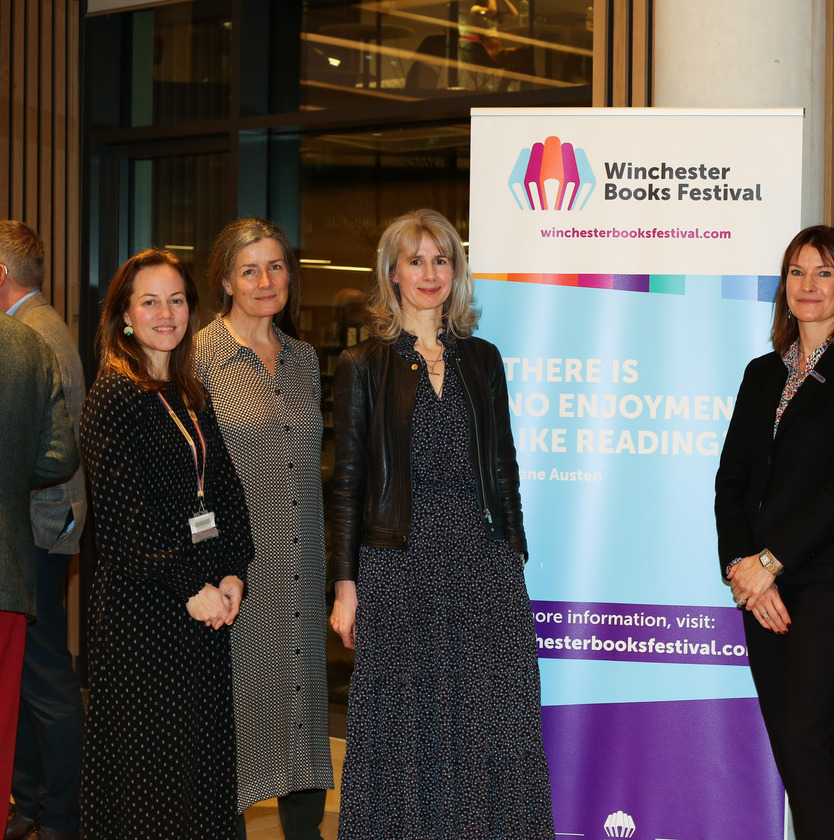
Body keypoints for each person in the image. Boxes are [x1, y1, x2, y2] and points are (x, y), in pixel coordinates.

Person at [329, 209, 553, 839]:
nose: (429, 274)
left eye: (441, 259)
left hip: (481, 566)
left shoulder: (482, 360)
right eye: (415, 260)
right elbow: (346, 483)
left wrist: (512, 553)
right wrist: (345, 588)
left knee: (488, 719)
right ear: (392, 274)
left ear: (456, 272)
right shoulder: (361, 364)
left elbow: (503, 467)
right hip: (398, 567)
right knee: (404, 726)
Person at [714, 225, 834, 839]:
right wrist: (745, 569)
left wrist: (772, 560)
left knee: (805, 741)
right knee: (791, 747)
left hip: (830, 582)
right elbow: (731, 479)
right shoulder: (762, 372)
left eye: (824, 272)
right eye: (797, 272)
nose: (809, 285)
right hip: (761, 587)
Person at [79, 249, 253, 840]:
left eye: (176, 300)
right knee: (150, 780)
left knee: (199, 773)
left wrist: (232, 574)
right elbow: (125, 525)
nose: (165, 313)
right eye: (149, 301)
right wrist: (193, 588)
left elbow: (226, 494)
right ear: (124, 315)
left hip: (201, 609)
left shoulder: (186, 390)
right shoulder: (113, 396)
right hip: (144, 615)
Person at [195, 219, 333, 839]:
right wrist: (203, 574)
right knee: (234, 736)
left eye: (276, 266)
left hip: (302, 575)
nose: (265, 280)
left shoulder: (304, 359)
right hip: (235, 580)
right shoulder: (197, 359)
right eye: (249, 270)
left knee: (304, 742)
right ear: (225, 280)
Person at [1, 220, 88, 840]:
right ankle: (31, 801)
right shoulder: (43, 326)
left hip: (36, 528)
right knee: (30, 680)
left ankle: (60, 814)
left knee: (46, 678)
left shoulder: (32, 335)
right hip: (40, 523)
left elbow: (58, 450)